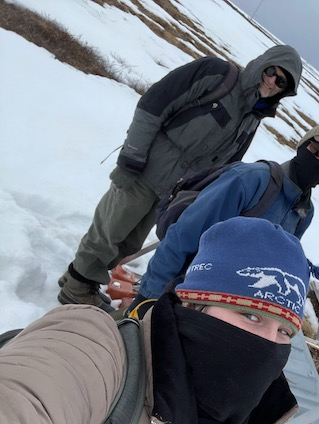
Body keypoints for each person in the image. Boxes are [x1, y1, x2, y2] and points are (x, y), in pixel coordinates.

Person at [1, 217, 312, 424]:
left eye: (284, 331)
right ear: (194, 303)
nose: (269, 343)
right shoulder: (92, 352)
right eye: (251, 315)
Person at [58, 44, 303, 312]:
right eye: (271, 72)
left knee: (129, 241)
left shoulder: (252, 117)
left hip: (172, 191)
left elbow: (227, 165)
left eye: (281, 82)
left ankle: (79, 277)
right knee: (110, 230)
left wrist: (199, 197)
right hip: (146, 170)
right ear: (261, 64)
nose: (271, 82)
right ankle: (77, 287)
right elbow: (153, 105)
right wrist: (131, 158)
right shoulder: (216, 74)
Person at [127, 123, 319, 316]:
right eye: (316, 150)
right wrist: (149, 296)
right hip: (178, 292)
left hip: (221, 308)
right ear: (302, 146)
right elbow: (182, 237)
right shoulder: (251, 180)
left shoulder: (303, 214)